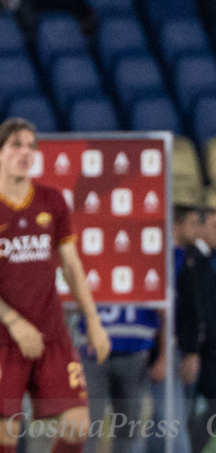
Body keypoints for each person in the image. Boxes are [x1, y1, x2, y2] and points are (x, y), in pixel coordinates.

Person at [0, 117, 111, 453]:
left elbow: (72, 265)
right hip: (5, 338)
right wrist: (15, 323)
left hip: (52, 334)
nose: (25, 152)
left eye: (31, 146)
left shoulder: (52, 200)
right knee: (5, 435)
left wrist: (93, 321)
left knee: (78, 426)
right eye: (16, 144)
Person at [146, 205, 198, 453]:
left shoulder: (188, 259)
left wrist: (189, 350)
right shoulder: (164, 259)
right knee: (165, 429)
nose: (196, 231)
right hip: (153, 349)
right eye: (191, 224)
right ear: (176, 225)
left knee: (170, 428)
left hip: (170, 349)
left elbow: (187, 310)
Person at [183, 205, 216, 453]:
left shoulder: (206, 261)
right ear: (198, 227)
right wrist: (207, 343)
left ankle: (187, 447)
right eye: (213, 226)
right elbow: (197, 306)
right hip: (200, 352)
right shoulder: (192, 260)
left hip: (209, 351)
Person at [79, 305, 159, 453]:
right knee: (86, 425)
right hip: (90, 350)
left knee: (128, 428)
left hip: (135, 349)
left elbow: (164, 304)